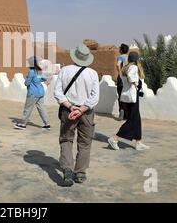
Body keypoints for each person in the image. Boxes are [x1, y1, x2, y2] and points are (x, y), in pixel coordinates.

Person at [54, 43, 99, 187]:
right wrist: (82, 109)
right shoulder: (92, 73)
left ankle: (67, 169)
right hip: (87, 113)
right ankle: (80, 173)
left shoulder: (64, 70)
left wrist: (71, 107)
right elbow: (95, 97)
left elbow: (58, 92)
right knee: (85, 143)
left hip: (68, 110)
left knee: (66, 140)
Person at [108, 51, 150, 151]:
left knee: (136, 119)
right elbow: (131, 77)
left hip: (126, 97)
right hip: (133, 97)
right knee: (132, 120)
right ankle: (115, 138)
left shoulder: (124, 68)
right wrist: (135, 84)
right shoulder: (134, 67)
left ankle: (138, 142)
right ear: (137, 60)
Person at [14, 56, 51, 130]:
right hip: (41, 92)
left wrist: (27, 78)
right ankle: (47, 124)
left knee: (27, 108)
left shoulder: (31, 71)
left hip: (33, 93)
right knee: (41, 108)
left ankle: (23, 124)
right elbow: (44, 79)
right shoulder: (39, 71)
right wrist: (37, 80)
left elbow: (27, 83)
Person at [116, 44, 130, 120]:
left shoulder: (120, 57)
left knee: (120, 95)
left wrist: (120, 74)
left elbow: (118, 64)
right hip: (128, 78)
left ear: (121, 50)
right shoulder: (129, 57)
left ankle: (122, 113)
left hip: (121, 79)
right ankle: (127, 114)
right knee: (127, 95)